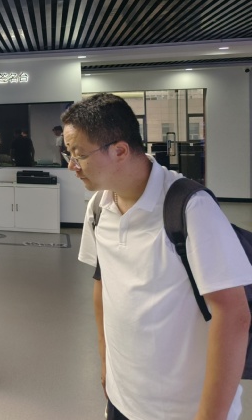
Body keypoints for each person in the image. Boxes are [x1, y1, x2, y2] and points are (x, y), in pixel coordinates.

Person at [63, 93, 251, 420]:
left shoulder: (190, 208)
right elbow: (103, 287)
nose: (71, 166)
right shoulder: (98, 208)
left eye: (79, 155)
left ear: (120, 151)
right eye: (69, 154)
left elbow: (234, 315)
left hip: (183, 409)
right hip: (122, 398)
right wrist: (106, 363)